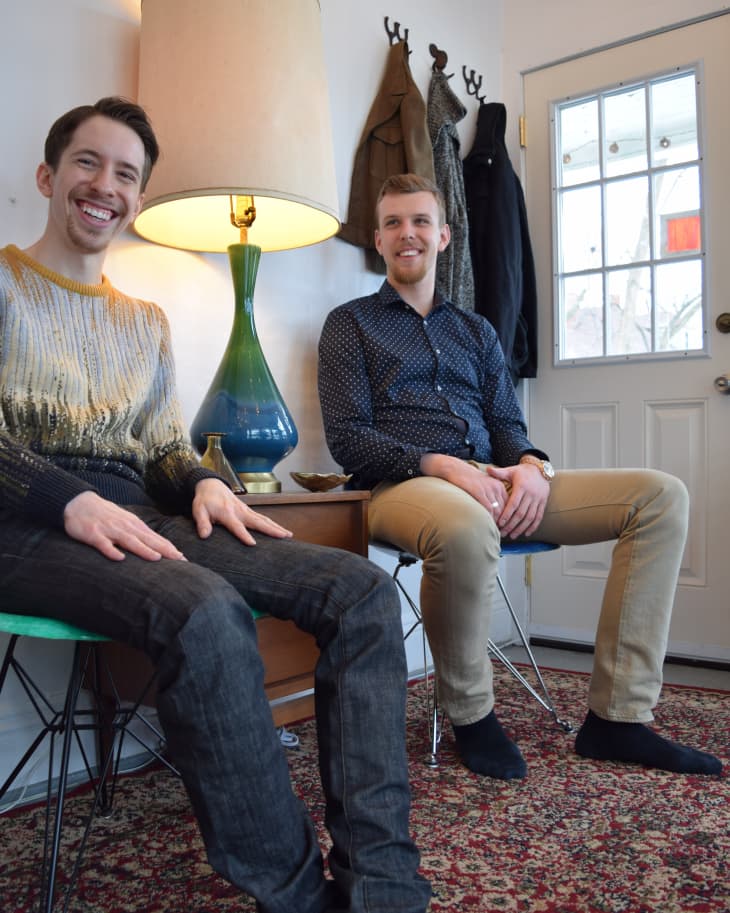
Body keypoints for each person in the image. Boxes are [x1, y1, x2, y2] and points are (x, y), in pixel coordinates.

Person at [0, 100, 432, 913]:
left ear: (138, 195)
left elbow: (161, 445)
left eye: (126, 174)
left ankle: (383, 888)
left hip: (138, 514)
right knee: (205, 611)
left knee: (362, 590)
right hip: (21, 522)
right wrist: (69, 499)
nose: (105, 186)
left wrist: (200, 479)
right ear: (49, 176)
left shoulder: (145, 319)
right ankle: (297, 895)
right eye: (88, 164)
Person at [318, 172, 722, 782]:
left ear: (444, 236)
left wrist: (534, 467)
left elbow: (508, 425)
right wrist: (444, 465)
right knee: (462, 528)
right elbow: (348, 437)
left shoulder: (475, 331)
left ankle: (618, 719)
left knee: (660, 496)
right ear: (378, 239)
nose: (409, 234)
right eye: (395, 223)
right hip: (401, 487)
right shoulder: (350, 325)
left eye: (421, 221)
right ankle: (471, 714)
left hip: (494, 480)